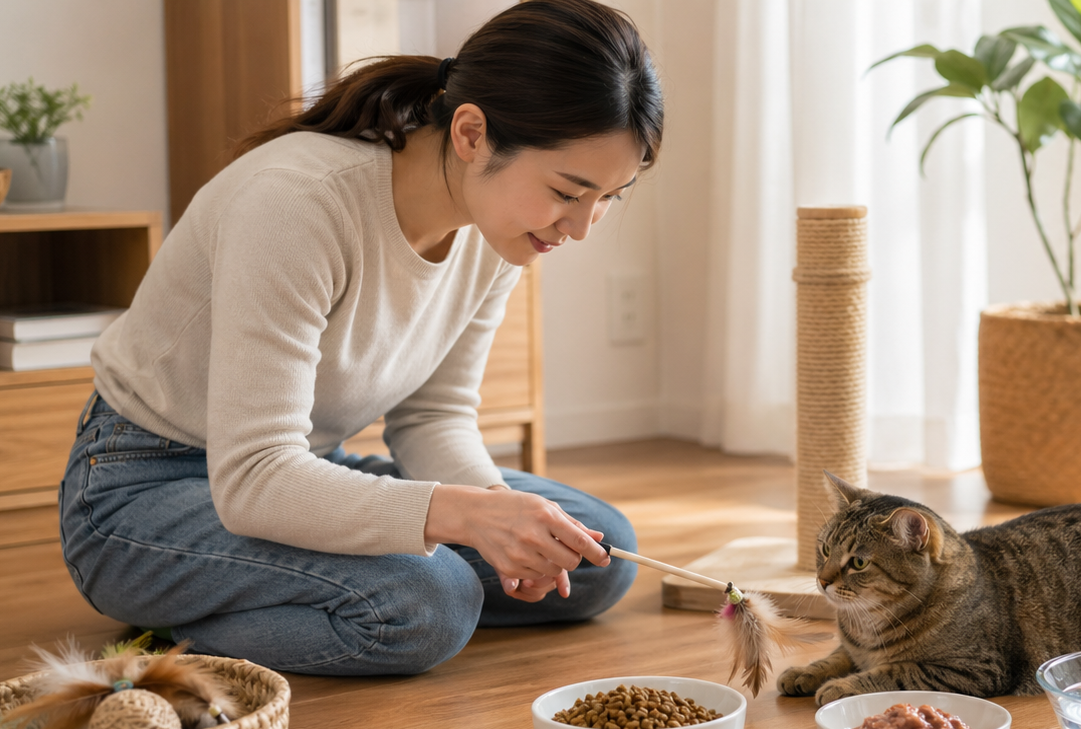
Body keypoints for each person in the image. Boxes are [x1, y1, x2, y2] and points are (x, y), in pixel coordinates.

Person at [60, 0, 659, 675]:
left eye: (608, 197)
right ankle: (178, 610)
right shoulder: (298, 203)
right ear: (472, 134)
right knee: (430, 603)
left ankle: (286, 595)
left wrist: (495, 512)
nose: (580, 228)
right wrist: (463, 518)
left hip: (302, 470)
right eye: (568, 192)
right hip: (142, 490)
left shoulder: (499, 232)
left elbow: (433, 415)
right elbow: (254, 476)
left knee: (599, 554)